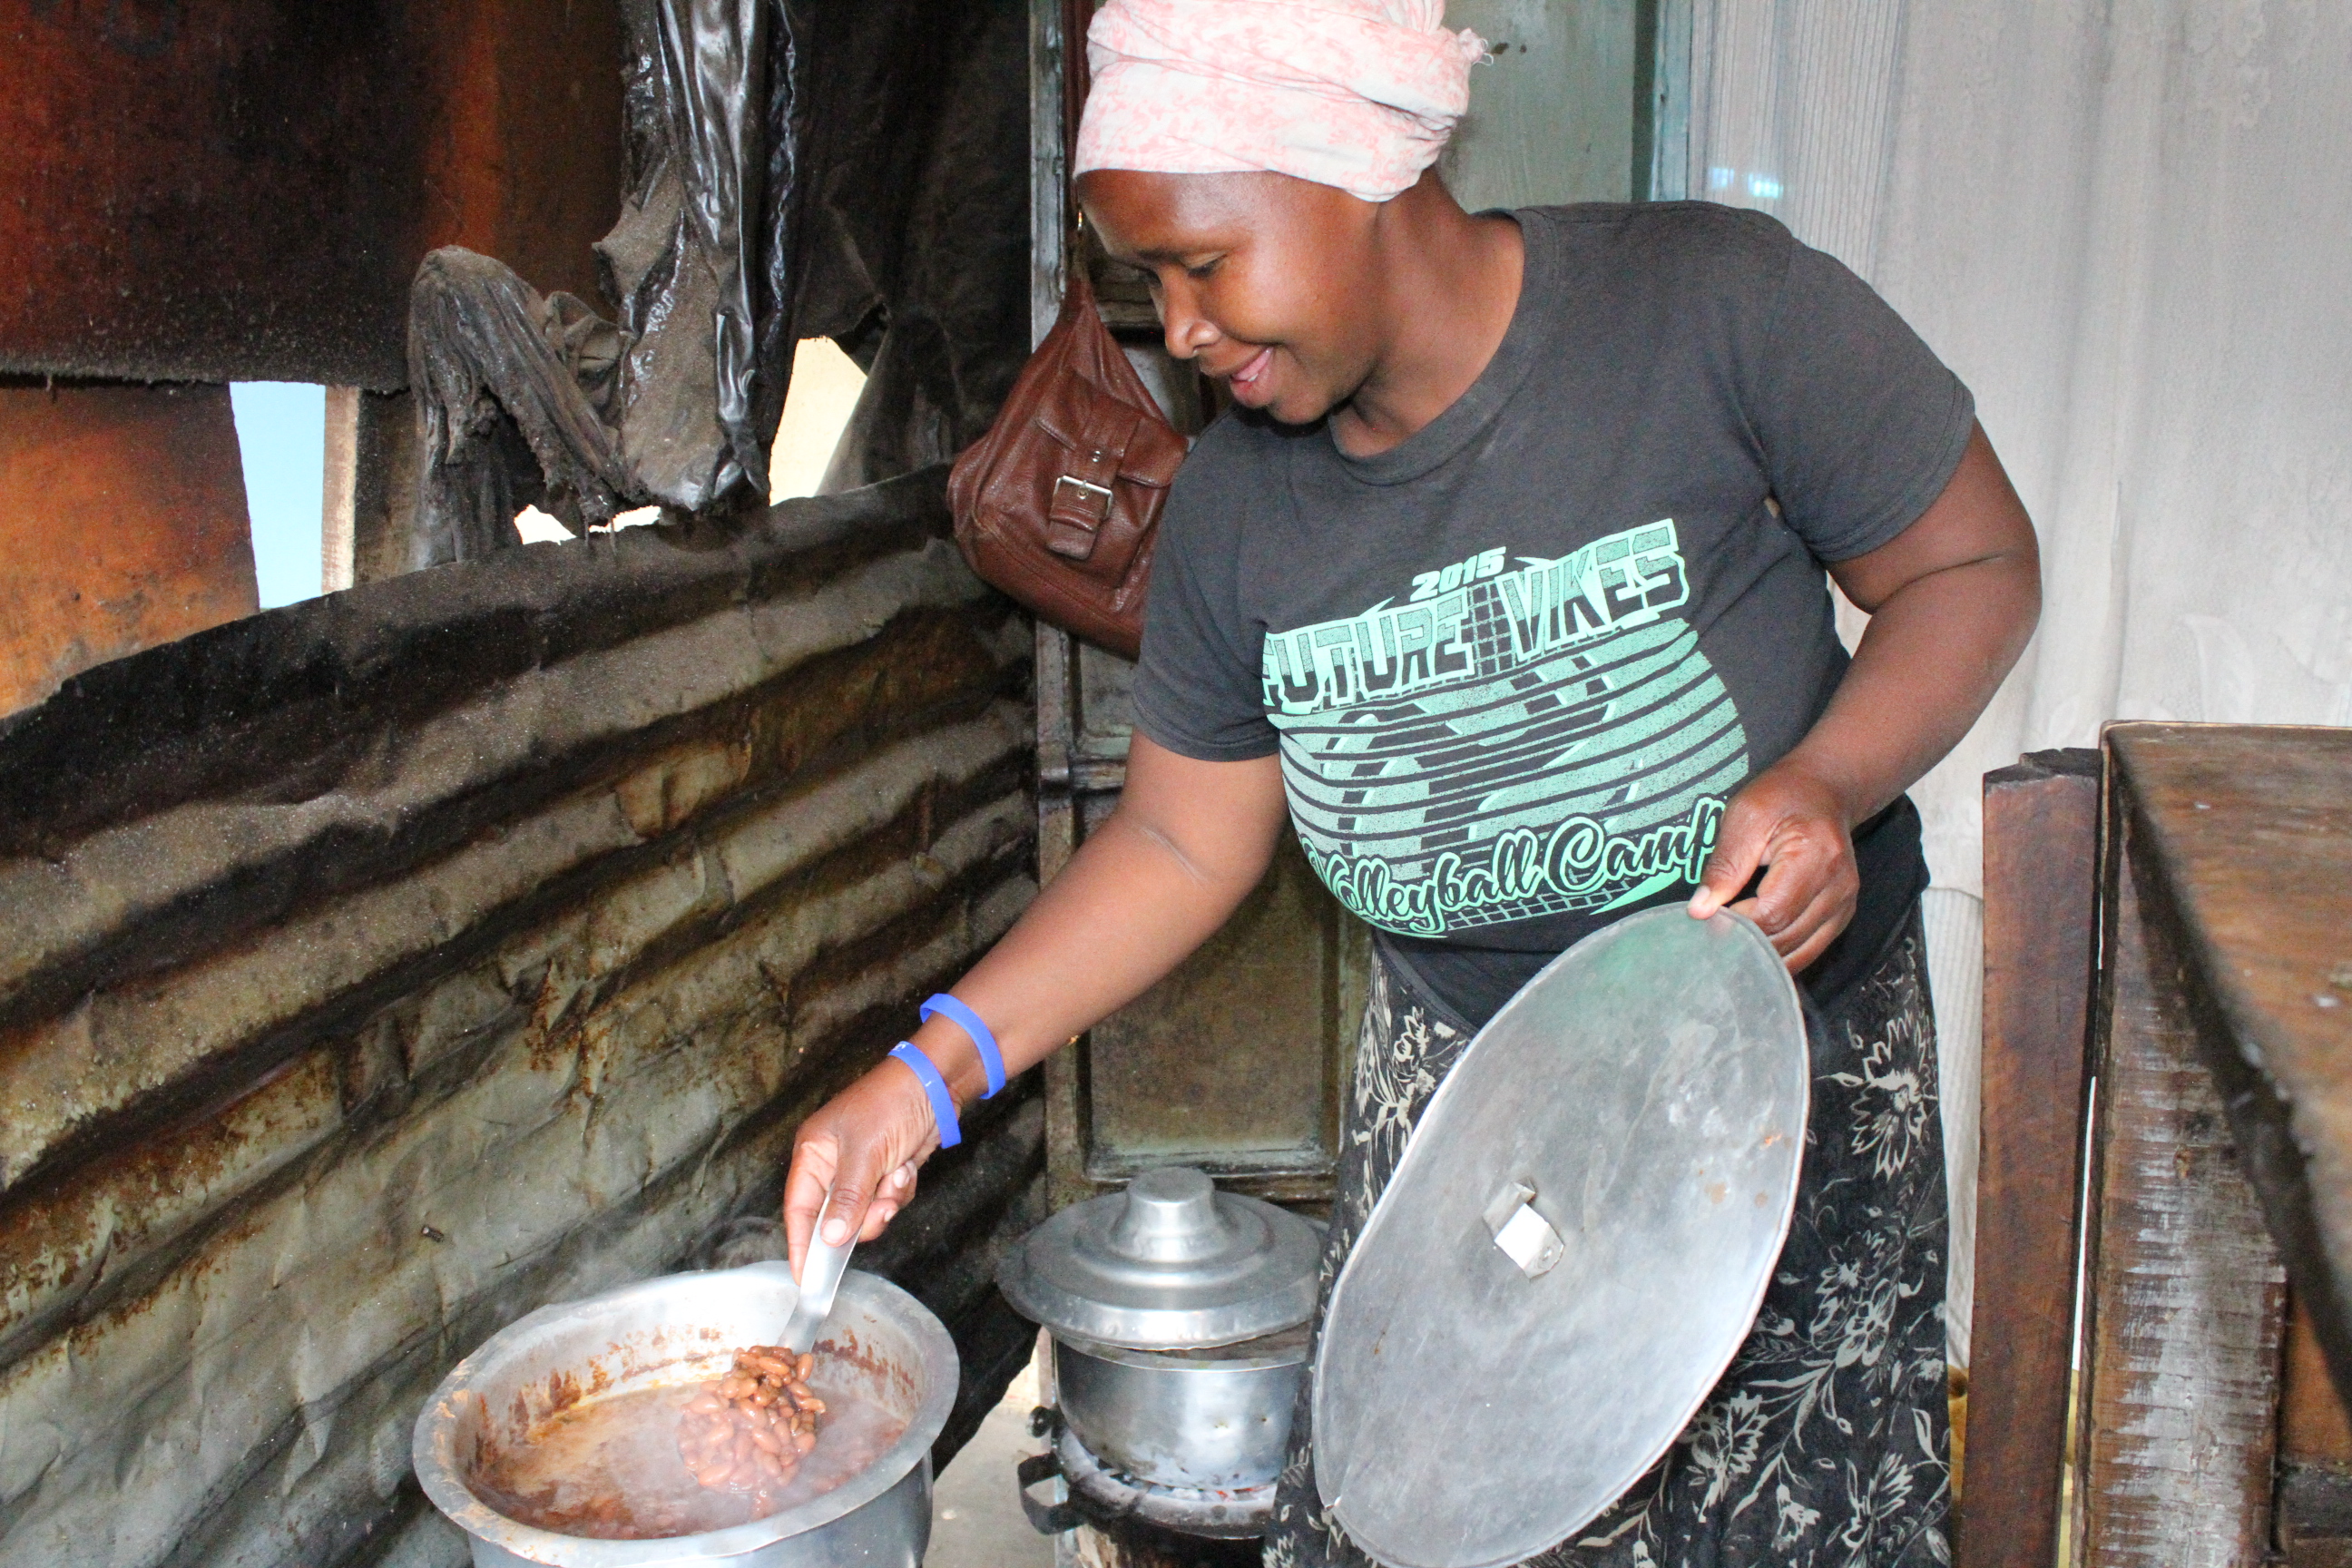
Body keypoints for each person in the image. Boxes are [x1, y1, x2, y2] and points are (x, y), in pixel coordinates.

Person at [784, 0, 2040, 1562]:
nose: (1175, 330)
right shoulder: (1242, 505)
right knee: (1434, 1519)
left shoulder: (1711, 310)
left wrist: (1829, 782)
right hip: (1466, 1102)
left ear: (1354, 166)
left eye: (1201, 265)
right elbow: (1181, 840)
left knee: (1794, 1529)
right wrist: (928, 1076)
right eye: (1147, 284)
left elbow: (1974, 563)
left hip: (1776, 1091)